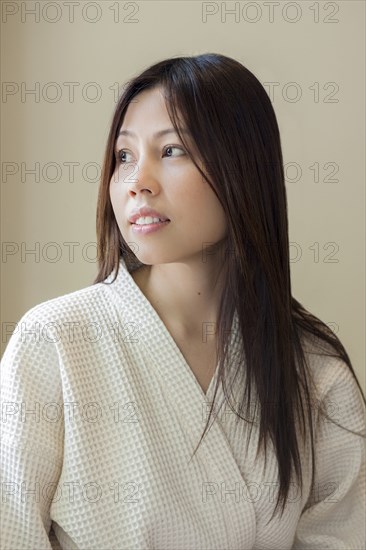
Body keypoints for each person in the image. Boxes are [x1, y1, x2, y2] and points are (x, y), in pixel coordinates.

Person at [1, 53, 365, 550]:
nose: (137, 182)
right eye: (124, 156)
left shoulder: (315, 369)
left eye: (171, 151)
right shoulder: (56, 340)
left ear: (243, 169)